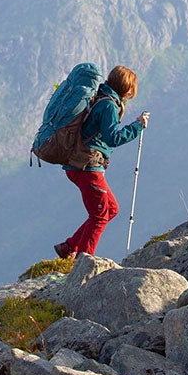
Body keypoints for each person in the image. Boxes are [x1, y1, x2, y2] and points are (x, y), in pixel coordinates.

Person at [54, 65, 149, 259]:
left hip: (79, 165)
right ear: (126, 88)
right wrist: (137, 126)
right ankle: (84, 262)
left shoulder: (100, 97)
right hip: (87, 168)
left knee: (111, 208)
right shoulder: (108, 105)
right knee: (99, 216)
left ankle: (69, 246)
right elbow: (112, 137)